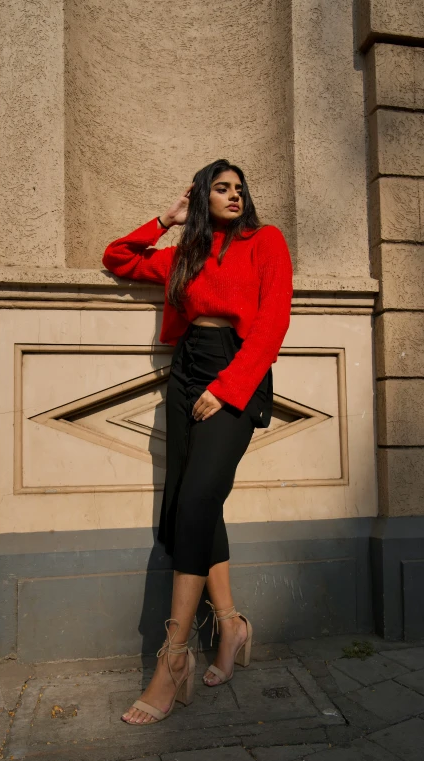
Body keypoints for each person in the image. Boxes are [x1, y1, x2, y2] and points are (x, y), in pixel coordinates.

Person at [102, 158, 293, 725]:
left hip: (235, 373)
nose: (234, 195)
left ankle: (173, 657)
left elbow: (273, 322)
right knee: (194, 503)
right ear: (201, 196)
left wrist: (230, 390)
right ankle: (231, 624)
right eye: (221, 187)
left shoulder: (266, 241)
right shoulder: (186, 255)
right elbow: (118, 257)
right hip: (186, 374)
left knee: (195, 502)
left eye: (240, 188)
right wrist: (168, 217)